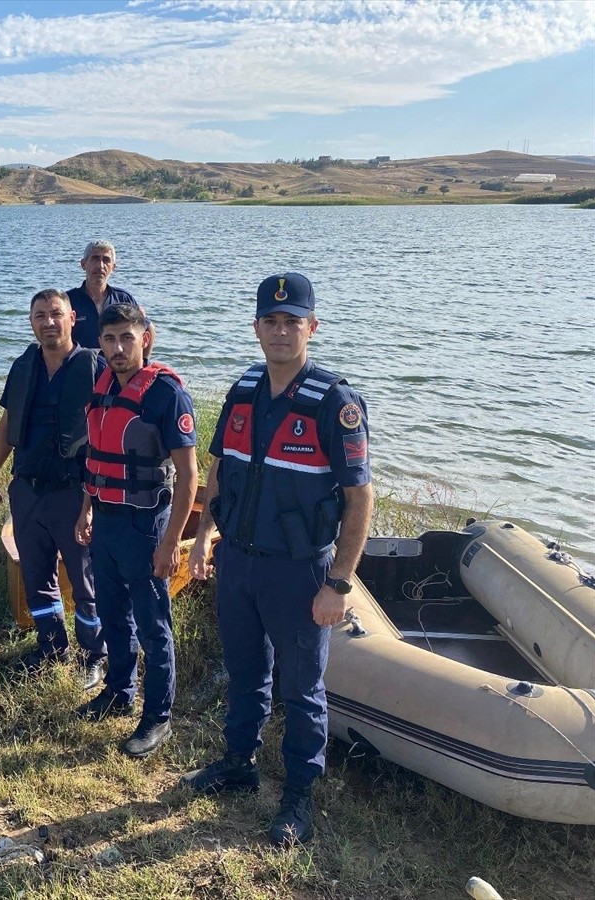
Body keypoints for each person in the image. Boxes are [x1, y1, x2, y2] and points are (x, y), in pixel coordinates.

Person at [179, 272, 374, 846]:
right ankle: (239, 764)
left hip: (300, 572)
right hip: (238, 562)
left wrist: (337, 584)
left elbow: (361, 498)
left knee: (303, 689)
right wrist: (202, 536)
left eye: (294, 321)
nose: (282, 331)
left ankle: (297, 795)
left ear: (312, 327)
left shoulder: (334, 403)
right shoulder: (242, 391)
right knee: (244, 672)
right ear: (257, 328)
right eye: (272, 320)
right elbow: (220, 472)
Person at [74, 304, 198, 758]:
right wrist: (86, 508)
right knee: (112, 612)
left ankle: (157, 717)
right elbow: (95, 456)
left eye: (127, 337)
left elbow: (188, 475)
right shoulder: (102, 384)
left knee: (153, 624)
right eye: (109, 339)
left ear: (146, 337)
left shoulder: (167, 395)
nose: (118, 348)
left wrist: (170, 543)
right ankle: (118, 692)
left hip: (147, 525)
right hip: (106, 519)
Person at [0, 289, 108, 690]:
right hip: (28, 490)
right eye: (40, 315)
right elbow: (6, 426)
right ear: (31, 321)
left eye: (56, 314)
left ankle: (95, 655)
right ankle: (51, 647)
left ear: (73, 318)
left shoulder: (95, 366)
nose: (48, 322)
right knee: (36, 575)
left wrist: (96, 497)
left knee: (86, 579)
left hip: (75, 492)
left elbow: (114, 427)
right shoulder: (23, 366)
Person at [66, 240, 141, 350]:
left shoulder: (124, 299)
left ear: (113, 267)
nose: (100, 265)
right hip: (80, 365)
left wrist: (140, 364)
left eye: (106, 260)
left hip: (115, 365)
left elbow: (146, 331)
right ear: (83, 264)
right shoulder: (68, 300)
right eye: (95, 259)